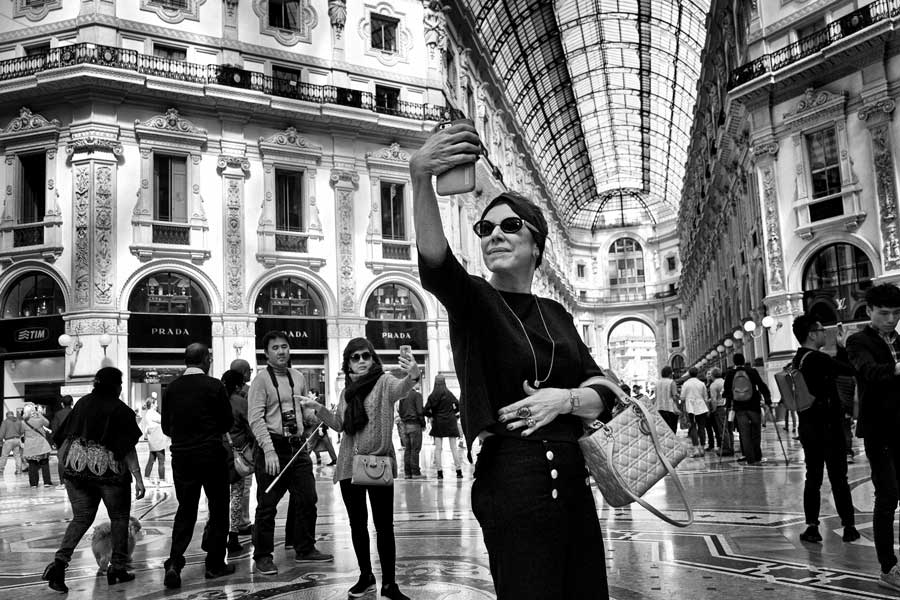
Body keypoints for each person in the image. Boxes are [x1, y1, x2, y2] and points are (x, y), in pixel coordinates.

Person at [411, 122, 617, 599]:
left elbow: (604, 392)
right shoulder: (475, 301)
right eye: (485, 229)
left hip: (575, 484)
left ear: (536, 245)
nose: (494, 236)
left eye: (509, 226)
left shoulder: (556, 314)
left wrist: (563, 400)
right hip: (512, 483)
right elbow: (436, 265)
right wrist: (420, 178)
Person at [301, 337, 420, 600]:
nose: (362, 361)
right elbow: (340, 425)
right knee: (357, 524)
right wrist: (318, 408)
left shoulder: (384, 382)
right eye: (355, 357)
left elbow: (402, 388)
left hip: (377, 464)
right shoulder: (346, 393)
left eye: (366, 355)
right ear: (348, 364)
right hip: (349, 465)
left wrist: (413, 374)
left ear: (373, 358)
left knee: (384, 526)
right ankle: (366, 577)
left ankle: (389, 584)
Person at [41, 367, 145, 594]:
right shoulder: (121, 410)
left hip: (77, 469)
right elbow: (128, 448)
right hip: (109, 472)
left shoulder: (83, 403)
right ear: (117, 385)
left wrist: (65, 467)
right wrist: (138, 478)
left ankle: (59, 565)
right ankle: (118, 568)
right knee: (119, 518)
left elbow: (65, 437)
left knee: (81, 518)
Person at [247, 330, 332, 576]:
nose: (281, 351)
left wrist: (314, 417)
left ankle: (304, 547)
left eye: (284, 346)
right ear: (266, 354)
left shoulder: (298, 377)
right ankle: (263, 555)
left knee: (307, 498)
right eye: (275, 348)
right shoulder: (261, 380)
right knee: (267, 504)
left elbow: (302, 412)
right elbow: (255, 418)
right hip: (273, 447)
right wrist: (269, 450)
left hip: (297, 447)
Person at [161, 344, 235, 589]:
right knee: (218, 508)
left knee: (186, 509)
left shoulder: (171, 388)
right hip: (211, 455)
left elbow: (166, 427)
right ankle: (215, 564)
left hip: (182, 457)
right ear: (205, 360)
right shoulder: (214, 386)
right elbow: (227, 422)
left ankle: (174, 562)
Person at [846, 283, 900, 591]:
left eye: (896, 313)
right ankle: (887, 567)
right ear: (869, 311)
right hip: (879, 430)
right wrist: (896, 369)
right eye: (884, 313)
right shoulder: (858, 342)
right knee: (887, 495)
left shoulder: (899, 340)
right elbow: (869, 372)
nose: (891, 319)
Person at [790, 314, 859, 544]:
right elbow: (850, 369)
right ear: (811, 334)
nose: (824, 334)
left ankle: (812, 527)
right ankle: (849, 527)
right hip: (828, 426)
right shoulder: (818, 359)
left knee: (813, 477)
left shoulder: (798, 359)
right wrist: (843, 347)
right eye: (821, 330)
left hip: (809, 426)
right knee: (839, 477)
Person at [226, 359, 254, 553]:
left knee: (217, 495)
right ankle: (234, 533)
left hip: (218, 452)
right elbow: (251, 425)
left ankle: (214, 530)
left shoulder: (216, 399)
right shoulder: (241, 400)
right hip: (239, 452)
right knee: (238, 492)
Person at [723, 353, 772, 465]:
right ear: (744, 360)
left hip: (739, 408)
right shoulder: (752, 371)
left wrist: (729, 404)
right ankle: (757, 457)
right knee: (756, 432)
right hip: (754, 406)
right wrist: (768, 399)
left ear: (734, 362)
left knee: (744, 434)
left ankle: (750, 459)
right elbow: (761, 385)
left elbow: (727, 391)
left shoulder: (730, 373)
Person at [424, 375, 463, 479]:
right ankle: (459, 471)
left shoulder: (432, 396)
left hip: (438, 422)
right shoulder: (449, 394)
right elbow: (458, 405)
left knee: (438, 449)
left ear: (435, 383)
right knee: (453, 448)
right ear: (444, 382)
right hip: (451, 421)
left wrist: (432, 416)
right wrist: (454, 413)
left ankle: (439, 473)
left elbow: (425, 410)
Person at [139, 395, 170, 487]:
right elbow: (163, 420)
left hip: (153, 440)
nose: (157, 405)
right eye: (156, 403)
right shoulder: (153, 413)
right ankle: (162, 480)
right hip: (157, 440)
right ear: (152, 404)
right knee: (161, 461)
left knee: (151, 460)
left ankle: (146, 479)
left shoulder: (149, 413)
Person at [22, 403, 53, 487]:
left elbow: (21, 432)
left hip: (30, 445)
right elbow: (47, 423)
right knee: (44, 463)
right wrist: (39, 414)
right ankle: (47, 482)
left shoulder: (23, 422)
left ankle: (33, 484)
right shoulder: (39, 420)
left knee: (32, 464)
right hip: (41, 444)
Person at [681, 367, 709, 458]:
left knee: (693, 427)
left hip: (690, 408)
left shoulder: (686, 384)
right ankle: (702, 448)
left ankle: (696, 449)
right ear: (697, 374)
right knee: (702, 427)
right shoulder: (701, 383)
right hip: (701, 407)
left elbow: (682, 397)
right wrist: (708, 409)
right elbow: (705, 397)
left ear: (689, 374)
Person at [398, 382, 425, 477]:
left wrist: (404, 420)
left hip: (405, 425)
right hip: (415, 424)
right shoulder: (417, 395)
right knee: (415, 449)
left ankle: (407, 473)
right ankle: (415, 472)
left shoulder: (402, 396)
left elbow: (400, 411)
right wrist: (423, 424)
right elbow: (420, 411)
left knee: (407, 449)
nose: (418, 384)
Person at [708, 368, 729, 455]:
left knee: (722, 428)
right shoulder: (725, 382)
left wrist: (713, 409)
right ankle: (730, 446)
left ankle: (725, 448)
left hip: (720, 408)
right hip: (727, 406)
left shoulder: (713, 385)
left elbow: (714, 399)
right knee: (728, 428)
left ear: (713, 375)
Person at [655, 366, 681, 433]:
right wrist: (677, 407)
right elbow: (674, 397)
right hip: (670, 409)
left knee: (663, 430)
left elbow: (656, 396)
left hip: (659, 408)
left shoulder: (657, 383)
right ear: (670, 374)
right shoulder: (671, 382)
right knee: (672, 430)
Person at [0, 410, 25, 476]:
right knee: (17, 456)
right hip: (17, 440)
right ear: (13, 415)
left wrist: (0, 439)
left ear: (6, 415)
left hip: (8, 440)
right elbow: (22, 431)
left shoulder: (5, 422)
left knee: (4, 456)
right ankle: (19, 470)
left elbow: (2, 433)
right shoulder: (18, 421)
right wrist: (18, 435)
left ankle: (1, 470)